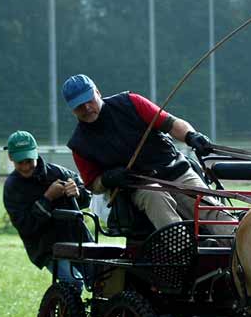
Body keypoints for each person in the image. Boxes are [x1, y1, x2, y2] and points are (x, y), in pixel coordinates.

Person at [61, 73, 231, 235]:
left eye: (89, 100)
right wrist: (108, 178)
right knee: (155, 195)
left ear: (97, 92)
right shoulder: (79, 144)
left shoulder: (131, 102)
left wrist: (191, 136)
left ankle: (237, 246)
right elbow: (93, 185)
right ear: (72, 109)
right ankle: (182, 247)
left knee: (209, 209)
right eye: (79, 106)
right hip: (139, 187)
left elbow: (171, 124)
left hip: (176, 171)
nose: (86, 108)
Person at [2, 130, 92, 289]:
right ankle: (66, 313)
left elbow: (87, 196)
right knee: (74, 283)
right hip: (48, 247)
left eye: (29, 160)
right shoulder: (12, 187)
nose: (25, 166)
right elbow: (26, 226)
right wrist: (48, 198)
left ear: (36, 153)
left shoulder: (60, 173)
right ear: (11, 158)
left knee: (104, 281)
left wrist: (77, 193)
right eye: (20, 162)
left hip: (79, 240)